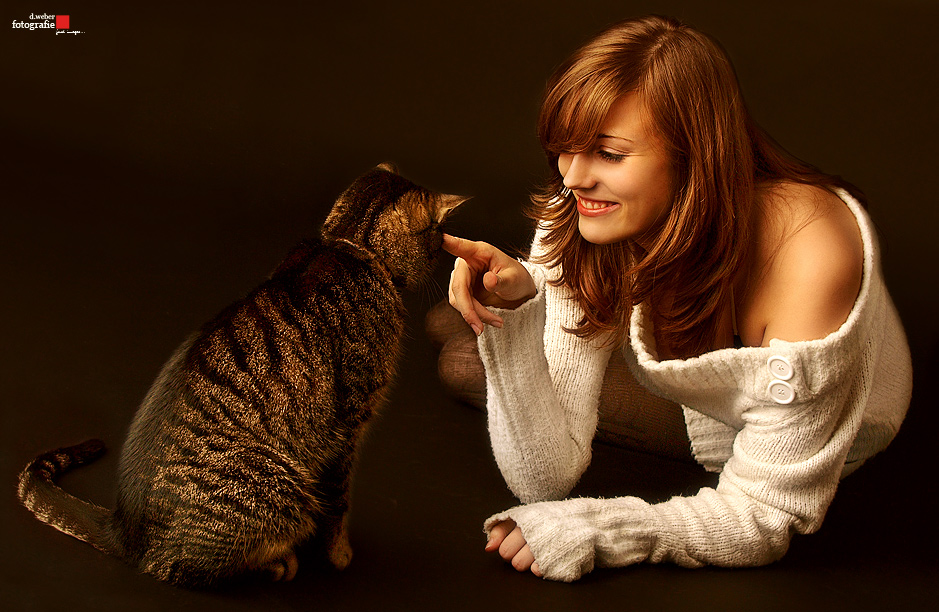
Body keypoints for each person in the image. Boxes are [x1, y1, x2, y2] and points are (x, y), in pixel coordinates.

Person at [434, 15, 912, 582]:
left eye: (610, 154)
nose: (574, 177)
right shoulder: (589, 209)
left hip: (814, 425)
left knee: (461, 360)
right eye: (566, 149)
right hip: (682, 355)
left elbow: (763, 515)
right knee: (455, 319)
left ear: (694, 156)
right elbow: (544, 473)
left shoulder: (811, 253)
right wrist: (521, 301)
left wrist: (599, 530)